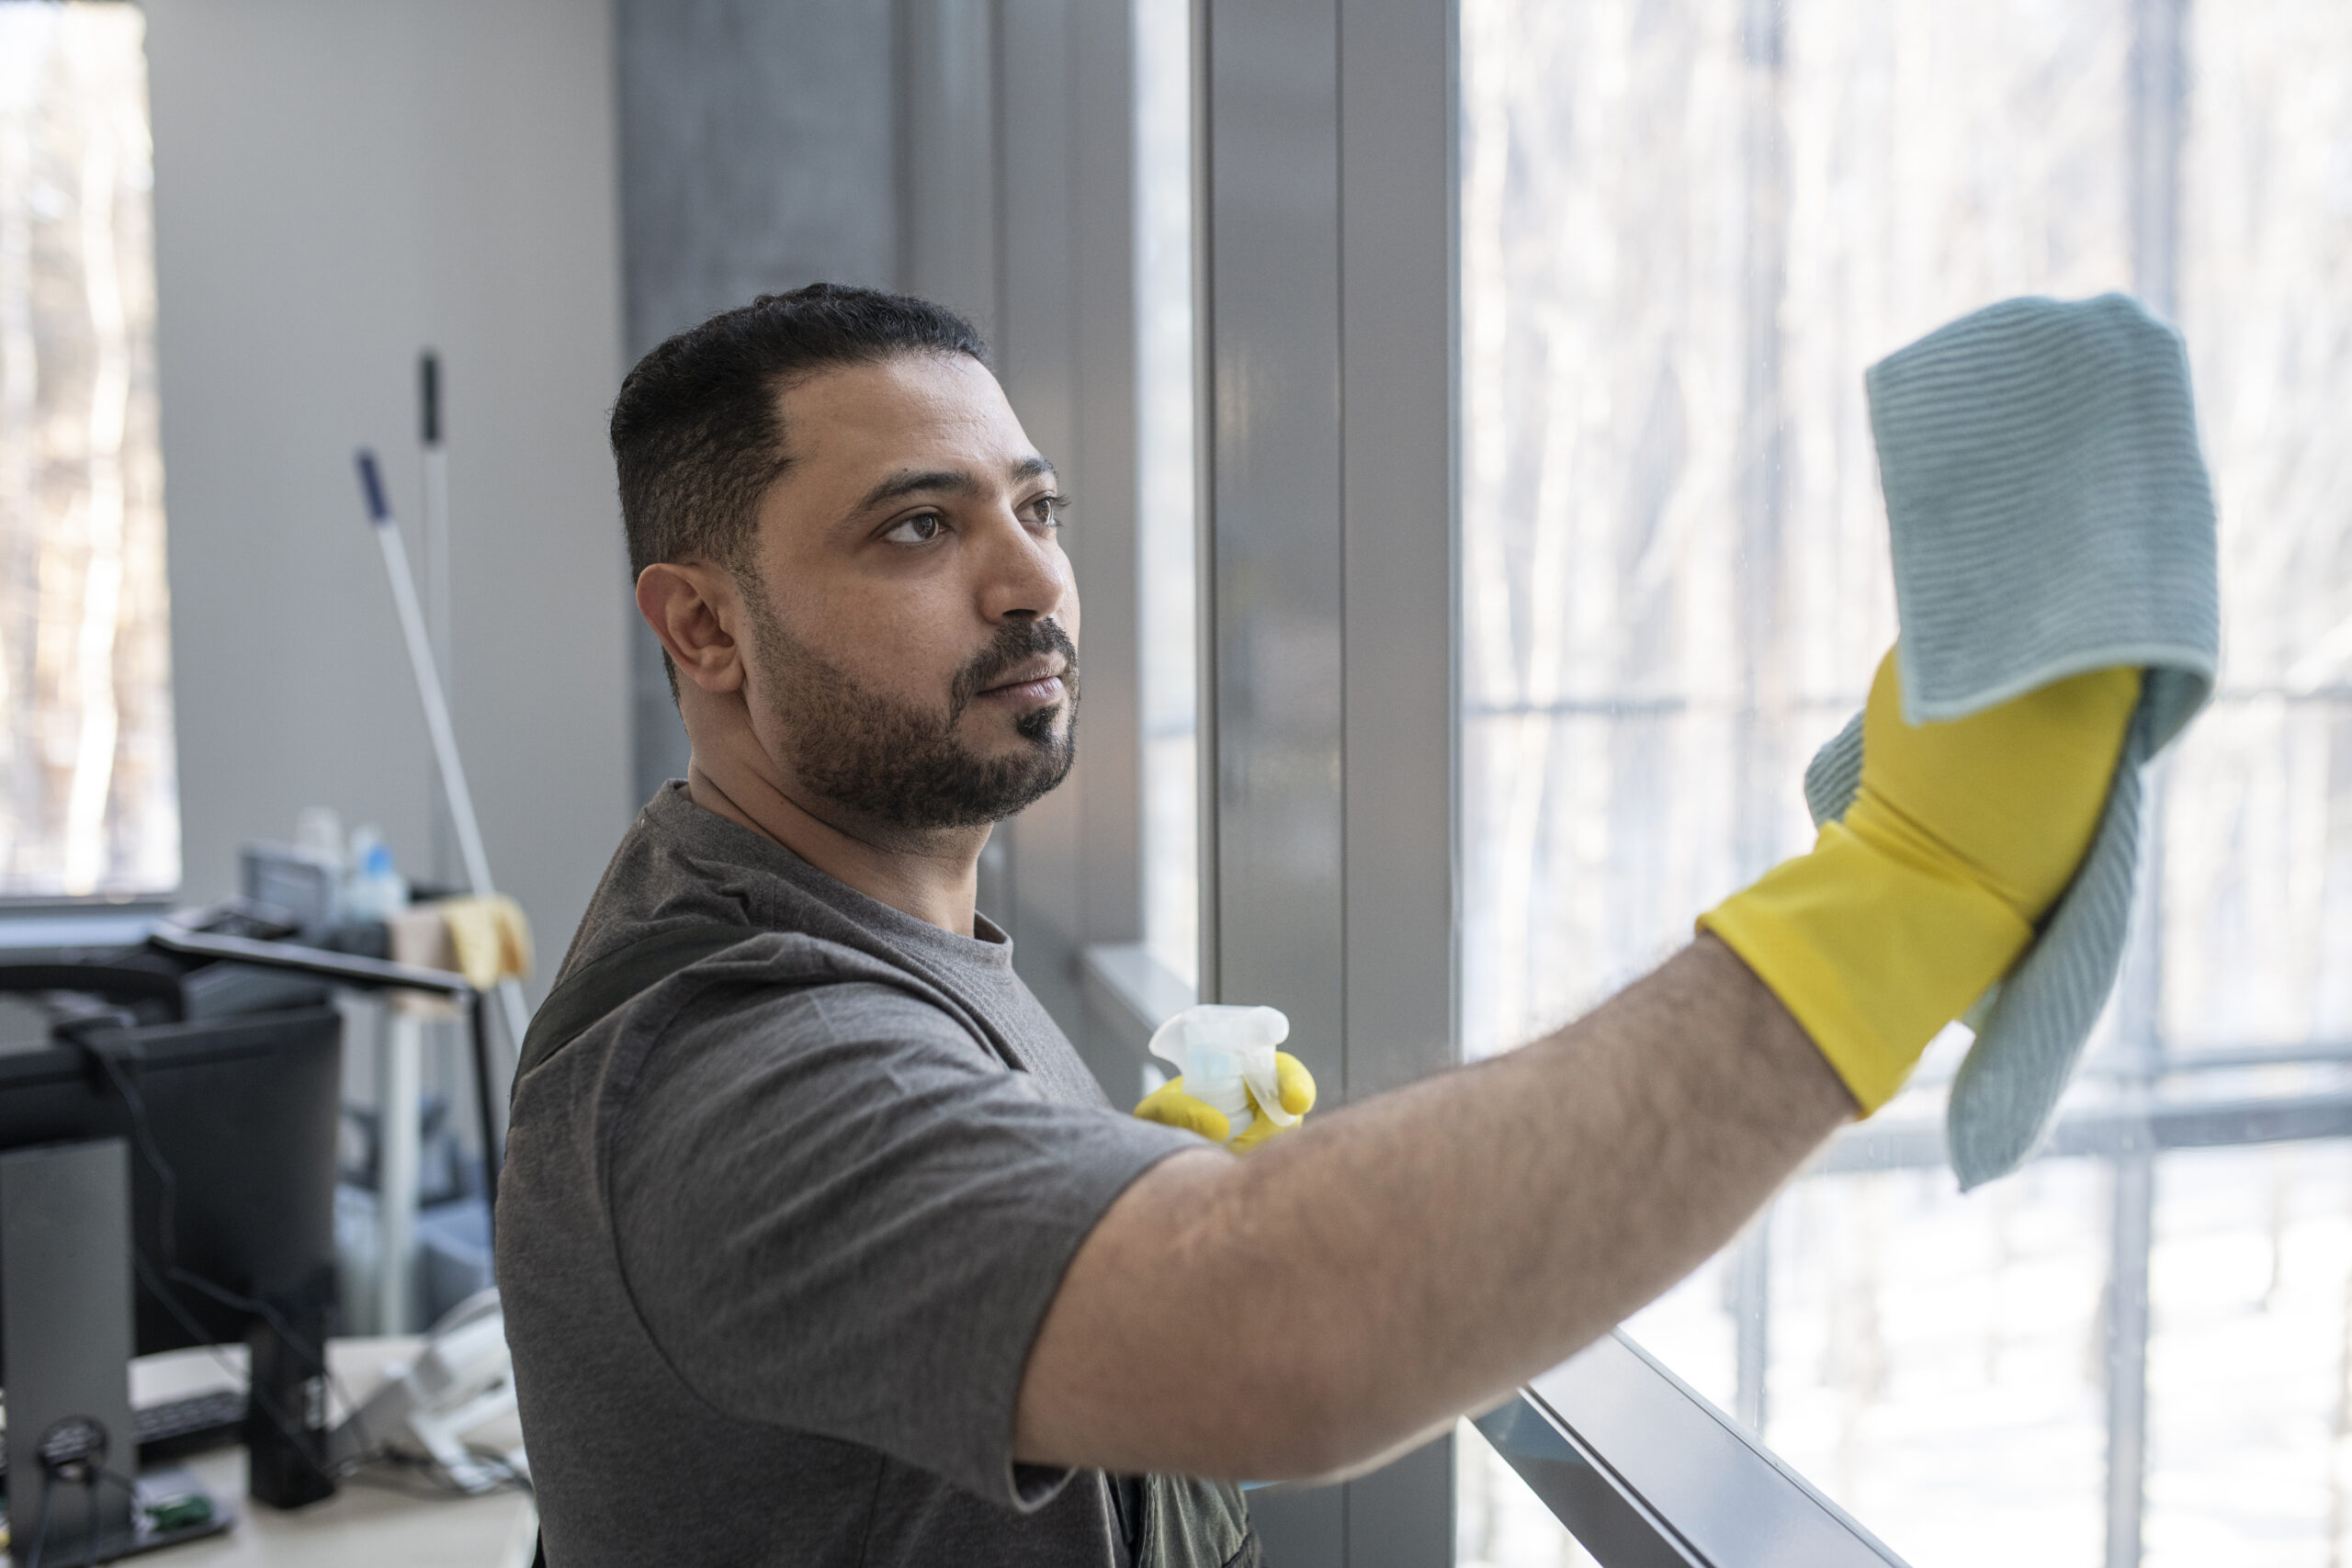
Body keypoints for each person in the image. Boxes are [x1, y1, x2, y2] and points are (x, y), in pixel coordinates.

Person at [496, 283, 2139, 1567]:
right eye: (920, 527)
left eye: (1039, 510)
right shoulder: (717, 1061)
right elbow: (1285, 1343)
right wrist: (1906, 898)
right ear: (705, 624)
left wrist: (1095, 1209)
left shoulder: (869, 919)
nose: (1031, 583)